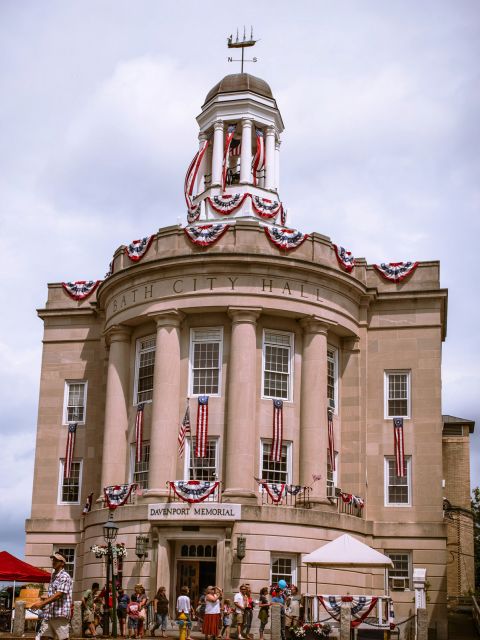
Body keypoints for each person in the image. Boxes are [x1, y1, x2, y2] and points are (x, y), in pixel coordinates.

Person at [30, 552, 73, 640]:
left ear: (62, 563)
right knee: (43, 637)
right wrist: (44, 604)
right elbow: (52, 594)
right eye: (53, 560)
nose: (53, 562)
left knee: (63, 638)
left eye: (56, 560)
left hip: (60, 614)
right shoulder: (53, 576)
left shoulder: (65, 576)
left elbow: (58, 595)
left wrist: (42, 604)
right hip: (50, 614)